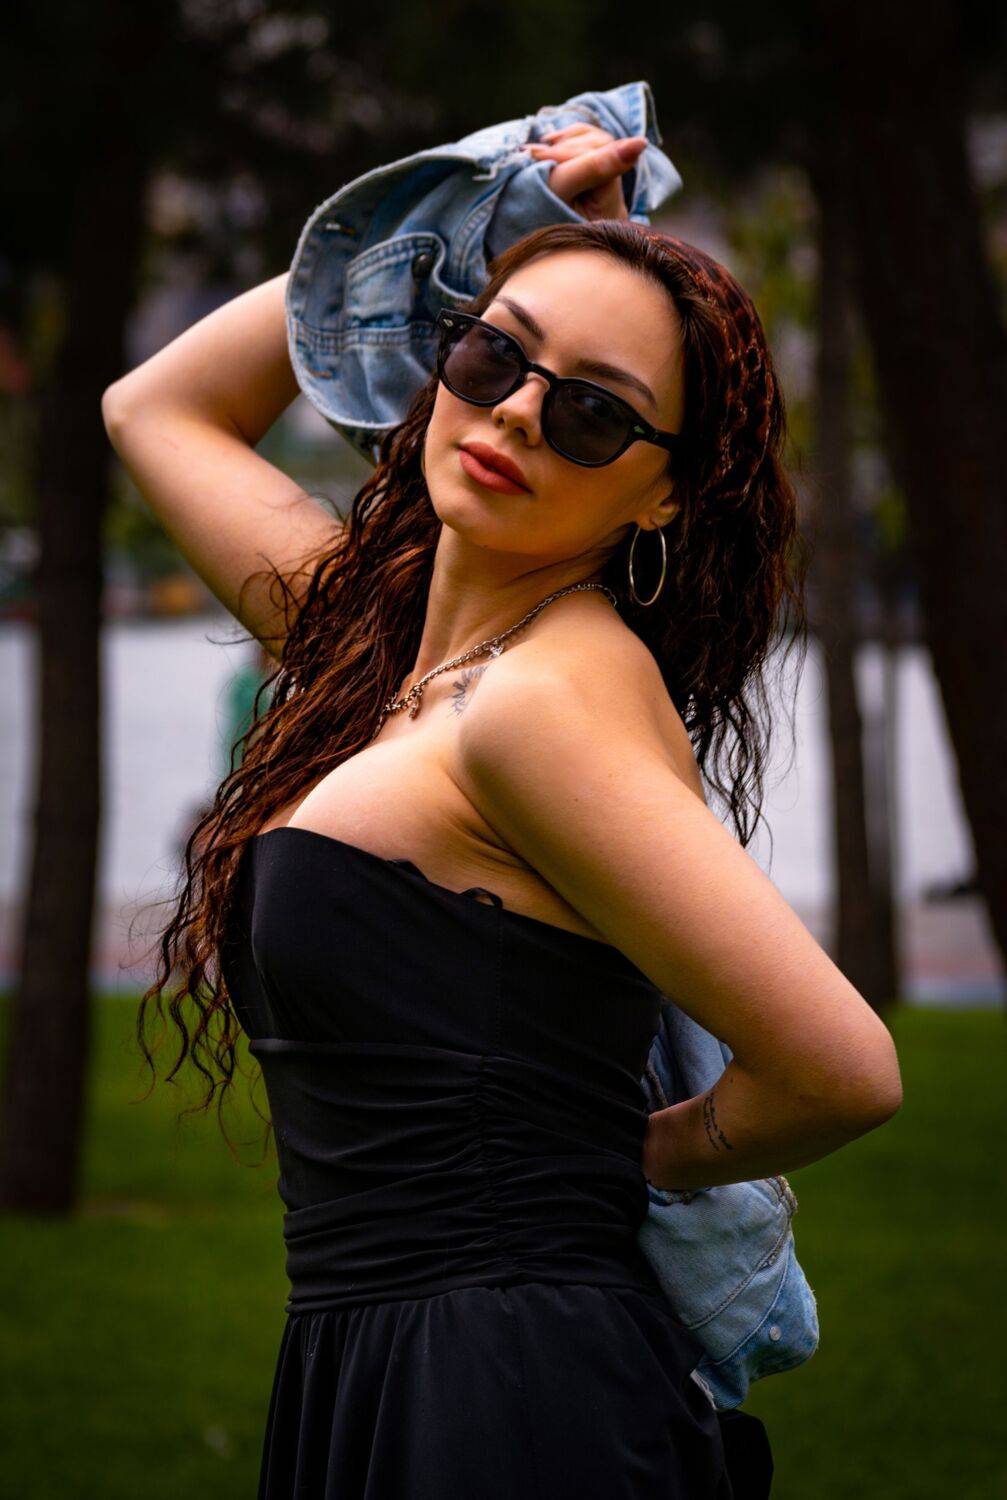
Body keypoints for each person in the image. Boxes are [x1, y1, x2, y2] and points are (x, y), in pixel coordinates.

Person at [101, 109, 902, 1499]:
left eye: (594, 412)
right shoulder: (388, 662)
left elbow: (843, 1069)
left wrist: (643, 1158)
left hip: (504, 1395)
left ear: (663, 496)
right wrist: (485, 197)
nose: (521, 411)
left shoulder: (541, 704)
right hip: (408, 1365)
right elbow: (154, 408)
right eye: (493, 354)